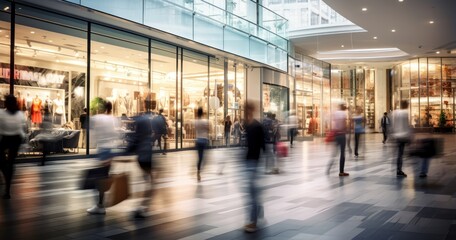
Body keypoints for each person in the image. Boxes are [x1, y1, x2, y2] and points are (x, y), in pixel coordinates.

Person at [86, 101, 120, 214]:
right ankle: (101, 204)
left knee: (99, 179)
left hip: (103, 150)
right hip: (111, 150)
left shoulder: (97, 118)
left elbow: (91, 133)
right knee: (103, 177)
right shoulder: (114, 119)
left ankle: (100, 205)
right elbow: (117, 135)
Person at [128, 107, 154, 218]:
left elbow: (133, 142)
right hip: (146, 158)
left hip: (141, 158)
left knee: (147, 181)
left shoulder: (140, 133)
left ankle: (140, 206)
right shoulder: (147, 136)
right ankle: (140, 207)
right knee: (150, 183)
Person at [243, 102, 265, 233]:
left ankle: (253, 221)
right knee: (251, 192)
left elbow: (263, 145)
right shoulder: (247, 124)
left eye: (247, 110)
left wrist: (270, 163)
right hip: (247, 161)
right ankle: (258, 210)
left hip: (255, 162)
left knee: (252, 193)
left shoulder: (257, 126)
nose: (246, 112)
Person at [0, 95, 26, 199]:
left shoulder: (2, 113)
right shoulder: (20, 114)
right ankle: (7, 189)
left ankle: (6, 185)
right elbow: (22, 129)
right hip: (16, 139)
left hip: (7, 139)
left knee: (5, 164)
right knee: (10, 164)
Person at [392, 100, 412, 177]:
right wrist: (410, 136)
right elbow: (406, 126)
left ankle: (398, 169)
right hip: (403, 136)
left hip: (397, 136)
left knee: (399, 153)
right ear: (406, 105)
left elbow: (393, 122)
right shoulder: (405, 113)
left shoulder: (396, 112)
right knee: (401, 153)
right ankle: (399, 170)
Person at [329, 102, 349, 176]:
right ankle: (341, 171)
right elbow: (343, 124)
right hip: (341, 135)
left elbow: (333, 123)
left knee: (334, 153)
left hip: (336, 135)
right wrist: (346, 129)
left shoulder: (335, 113)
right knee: (342, 153)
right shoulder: (343, 114)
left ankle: (329, 167)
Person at [195, 107, 209, 181]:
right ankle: (200, 171)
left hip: (198, 140)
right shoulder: (205, 121)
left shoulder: (196, 121)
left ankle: (198, 171)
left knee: (200, 157)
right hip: (204, 140)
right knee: (204, 158)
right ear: (203, 112)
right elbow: (208, 129)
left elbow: (196, 129)